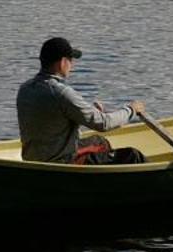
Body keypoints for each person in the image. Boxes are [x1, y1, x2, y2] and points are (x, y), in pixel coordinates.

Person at [17, 36, 144, 165]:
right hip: (62, 162)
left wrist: (90, 113)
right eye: (70, 60)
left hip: (32, 160)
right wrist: (131, 110)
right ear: (62, 62)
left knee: (100, 142)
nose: (72, 64)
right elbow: (104, 124)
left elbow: (54, 119)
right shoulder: (62, 93)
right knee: (132, 155)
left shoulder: (24, 89)